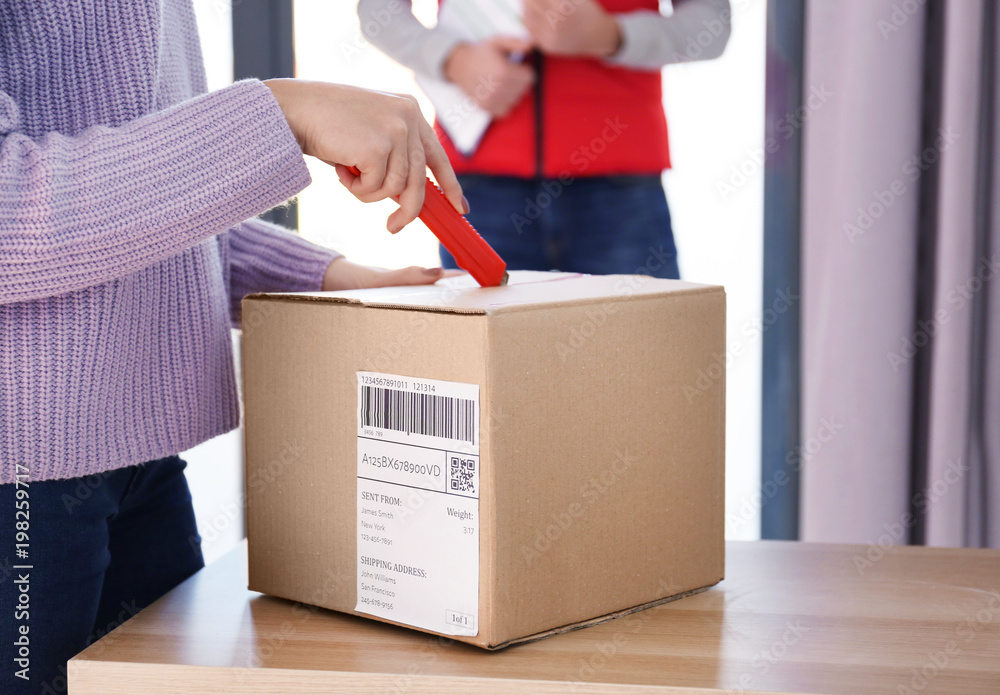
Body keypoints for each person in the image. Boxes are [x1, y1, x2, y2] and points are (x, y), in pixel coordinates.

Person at [0, 2, 467, 692]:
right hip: (24, 480)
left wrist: (328, 279)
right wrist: (279, 115)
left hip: (139, 461)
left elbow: (148, 206)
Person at [358, 0, 732, 279]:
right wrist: (455, 59)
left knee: (642, 366)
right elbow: (377, 12)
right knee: (483, 374)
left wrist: (611, 35)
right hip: (479, 187)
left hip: (621, 187)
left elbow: (712, 23)